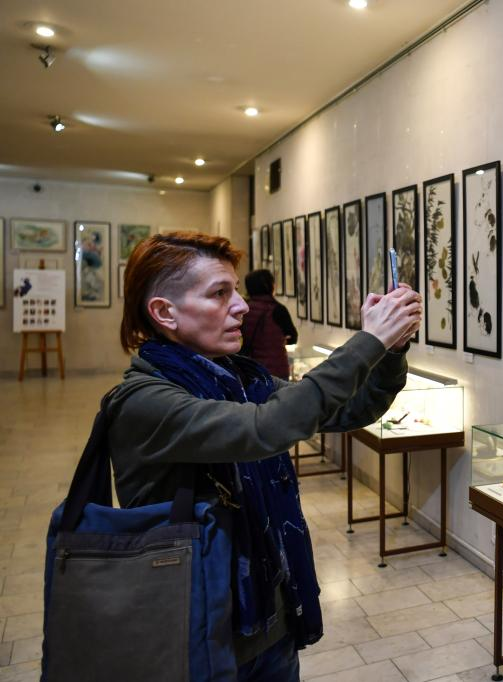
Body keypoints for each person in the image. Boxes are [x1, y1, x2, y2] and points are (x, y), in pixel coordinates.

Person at [107, 231, 421, 680]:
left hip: (270, 617)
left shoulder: (239, 379)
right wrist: (368, 340)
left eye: (235, 289)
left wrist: (391, 349)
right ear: (164, 312)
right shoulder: (145, 400)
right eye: (219, 293)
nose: (239, 305)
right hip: (197, 634)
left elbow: (352, 408)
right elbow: (267, 428)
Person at [240, 269, 297, 379]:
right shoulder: (277, 309)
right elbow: (293, 337)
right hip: (276, 370)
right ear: (269, 285)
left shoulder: (244, 309)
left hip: (251, 369)